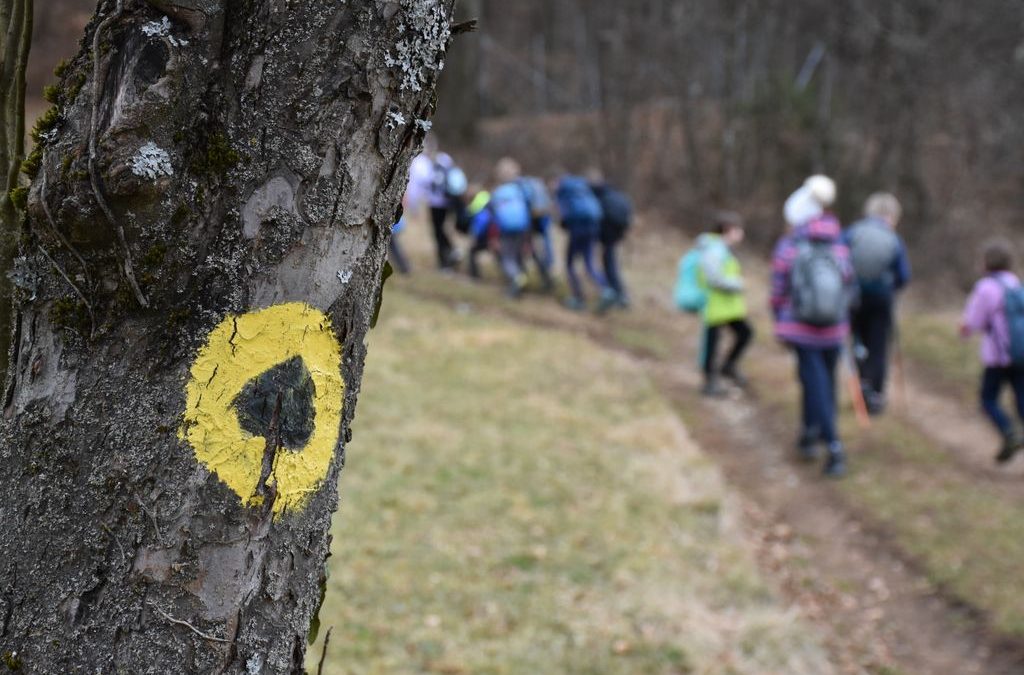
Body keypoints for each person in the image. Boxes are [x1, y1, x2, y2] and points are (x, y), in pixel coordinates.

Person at [770, 176, 855, 478]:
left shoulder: (789, 245)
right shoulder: (839, 243)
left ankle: (833, 446)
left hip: (801, 328)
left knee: (813, 383)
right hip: (834, 328)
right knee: (823, 383)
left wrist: (779, 322)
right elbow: (848, 285)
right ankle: (809, 434)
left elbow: (778, 291)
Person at [844, 193, 911, 414]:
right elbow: (903, 275)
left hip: (854, 298)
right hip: (882, 299)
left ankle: (861, 384)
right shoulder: (893, 238)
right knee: (879, 346)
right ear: (891, 216)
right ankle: (875, 394)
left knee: (857, 342)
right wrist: (892, 287)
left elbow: (838, 260)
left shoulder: (853, 232)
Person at [960, 239, 1024, 463]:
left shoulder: (986, 288)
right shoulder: (1015, 283)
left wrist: (964, 332)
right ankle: (1013, 435)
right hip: (1020, 354)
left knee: (988, 399)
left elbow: (972, 322)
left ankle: (1009, 433)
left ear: (986, 263)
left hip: (998, 357)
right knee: (1021, 400)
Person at [696, 212, 753, 396]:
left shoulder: (722, 248)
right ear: (728, 230)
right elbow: (715, 279)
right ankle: (710, 382)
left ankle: (727, 367)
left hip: (727, 306)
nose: (741, 234)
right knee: (712, 343)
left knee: (745, 333)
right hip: (716, 304)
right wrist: (739, 284)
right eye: (738, 230)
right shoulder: (715, 249)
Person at [555, 175, 616, 312]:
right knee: (589, 263)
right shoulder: (584, 187)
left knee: (570, 264)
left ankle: (578, 298)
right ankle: (606, 290)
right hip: (593, 228)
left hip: (577, 229)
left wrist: (565, 224)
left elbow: (564, 214)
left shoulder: (563, 190)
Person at [407, 137, 466, 270]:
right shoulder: (444, 158)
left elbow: (414, 187)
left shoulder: (419, 163)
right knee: (443, 228)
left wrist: (413, 206)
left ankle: (445, 261)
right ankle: (451, 253)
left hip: (435, 203)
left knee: (437, 231)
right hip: (450, 200)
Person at [588, 171, 634, 308]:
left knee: (609, 264)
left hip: (608, 234)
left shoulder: (598, 194)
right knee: (611, 263)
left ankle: (616, 294)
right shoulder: (614, 193)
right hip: (616, 234)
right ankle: (619, 294)